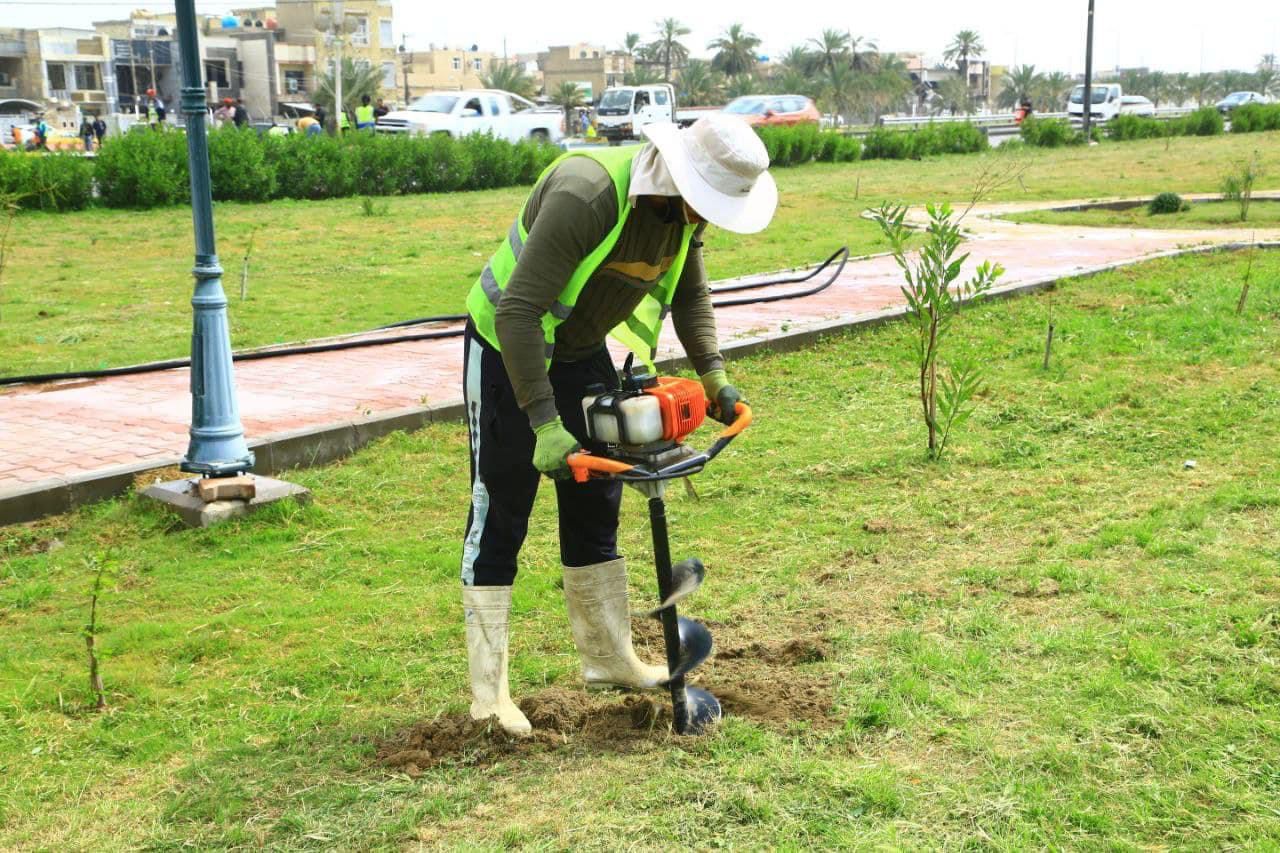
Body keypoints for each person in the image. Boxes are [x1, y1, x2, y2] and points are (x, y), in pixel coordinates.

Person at [457, 114, 776, 735]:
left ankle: (609, 659)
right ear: (681, 179)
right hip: (506, 348)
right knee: (502, 511)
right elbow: (519, 311)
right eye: (704, 204)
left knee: (597, 499)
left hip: (579, 350)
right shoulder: (588, 194)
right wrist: (545, 421)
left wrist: (711, 376)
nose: (705, 219)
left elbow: (689, 293)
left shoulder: (680, 216)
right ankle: (488, 694)